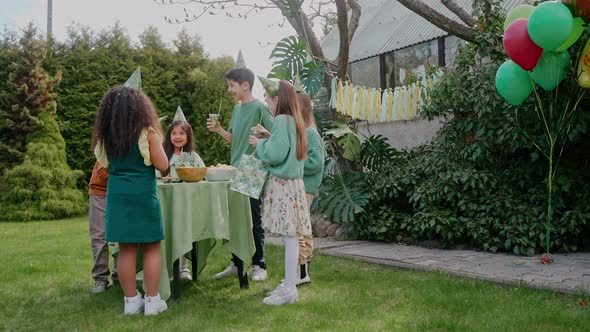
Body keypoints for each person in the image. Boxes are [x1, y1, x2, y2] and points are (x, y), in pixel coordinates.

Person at [92, 86, 169, 315]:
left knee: (126, 249)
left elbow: (104, 165)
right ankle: (153, 302)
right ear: (141, 109)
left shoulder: (105, 138)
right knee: (151, 246)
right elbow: (163, 165)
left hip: (117, 196)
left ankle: (131, 302)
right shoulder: (148, 134)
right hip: (143, 195)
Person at [208, 67, 273, 281]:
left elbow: (276, 136)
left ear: (245, 85)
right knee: (235, 219)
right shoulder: (237, 110)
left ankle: (259, 265)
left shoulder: (261, 108)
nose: (229, 90)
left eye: (232, 86)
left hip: (252, 168)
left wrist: (263, 139)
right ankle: (236, 264)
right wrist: (218, 131)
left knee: (253, 219)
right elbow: (234, 138)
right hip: (234, 169)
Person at [249, 79, 312, 305]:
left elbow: (276, 154)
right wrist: (269, 135)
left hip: (284, 185)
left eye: (268, 99)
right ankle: (288, 284)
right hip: (292, 184)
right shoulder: (292, 119)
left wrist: (259, 144)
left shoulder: (282, 119)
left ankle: (289, 289)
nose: (267, 102)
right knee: (291, 236)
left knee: (289, 237)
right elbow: (284, 146)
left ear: (277, 99)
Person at [161, 113, 205, 281]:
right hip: (167, 202)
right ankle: (168, 268)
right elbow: (157, 174)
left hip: (187, 203)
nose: (177, 137)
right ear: (169, 136)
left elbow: (202, 172)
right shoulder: (164, 155)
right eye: (174, 133)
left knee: (185, 232)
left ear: (188, 136)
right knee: (168, 233)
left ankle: (183, 267)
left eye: (182, 133)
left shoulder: (193, 156)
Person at [296, 91, 324, 285]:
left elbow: (316, 163)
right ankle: (301, 270)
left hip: (306, 188)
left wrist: (295, 163)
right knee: (301, 227)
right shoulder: (302, 131)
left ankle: (302, 271)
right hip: (300, 187)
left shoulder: (310, 133)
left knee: (300, 228)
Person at [88, 161, 119, 293]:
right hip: (100, 191)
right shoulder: (106, 141)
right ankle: (100, 278)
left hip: (124, 191)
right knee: (99, 236)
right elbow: (102, 172)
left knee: (123, 237)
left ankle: (120, 276)